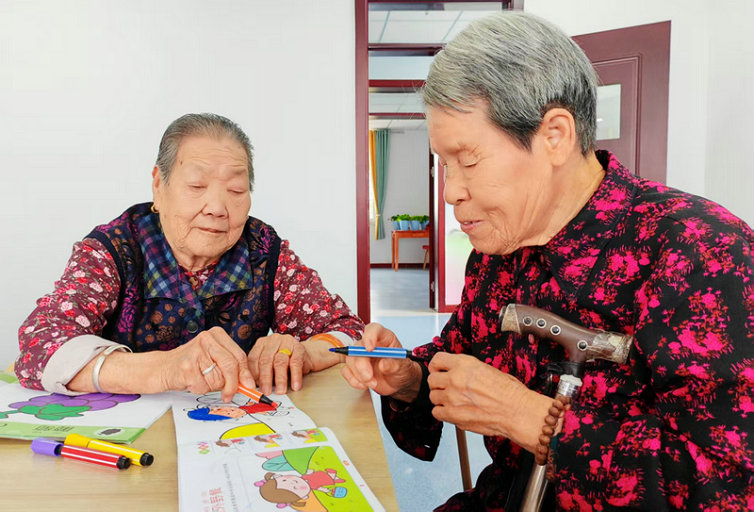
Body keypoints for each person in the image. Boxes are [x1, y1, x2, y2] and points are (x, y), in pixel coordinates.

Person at [342, 12, 753, 511]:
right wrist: (408, 378)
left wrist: (527, 417)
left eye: (468, 160)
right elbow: (457, 359)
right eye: (444, 165)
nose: (451, 192)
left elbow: (728, 485)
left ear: (554, 135)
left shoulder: (700, 250)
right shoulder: (499, 253)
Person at [16, 113, 363, 403]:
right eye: (197, 186)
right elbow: (40, 345)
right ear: (159, 185)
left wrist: (303, 353)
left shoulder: (264, 250)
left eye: (236, 190)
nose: (217, 208)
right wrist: (166, 369)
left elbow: (348, 331)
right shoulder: (114, 249)